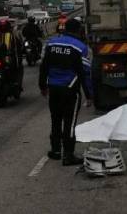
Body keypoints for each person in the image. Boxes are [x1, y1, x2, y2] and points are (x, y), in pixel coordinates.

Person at [39, 18, 93, 165]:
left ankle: (55, 151)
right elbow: (85, 73)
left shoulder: (51, 43)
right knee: (69, 123)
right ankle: (68, 155)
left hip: (53, 89)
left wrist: (42, 86)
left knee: (55, 120)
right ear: (77, 31)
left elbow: (44, 66)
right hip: (70, 90)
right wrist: (89, 95)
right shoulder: (81, 47)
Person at [0, 18, 24, 88]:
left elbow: (18, 47)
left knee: (16, 66)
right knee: (18, 67)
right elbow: (18, 48)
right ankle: (16, 82)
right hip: (3, 58)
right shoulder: (12, 35)